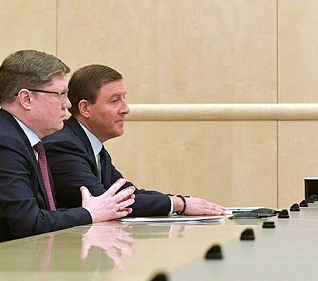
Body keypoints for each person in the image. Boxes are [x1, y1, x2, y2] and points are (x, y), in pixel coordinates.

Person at [0, 50, 136, 249]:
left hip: (9, 255)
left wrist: (88, 212)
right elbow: (29, 224)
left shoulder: (21, 139)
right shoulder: (1, 144)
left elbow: (41, 215)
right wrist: (90, 213)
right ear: (27, 99)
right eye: (60, 94)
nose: (67, 104)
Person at [43, 64, 225, 217]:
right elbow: (109, 203)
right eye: (114, 101)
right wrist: (178, 204)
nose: (126, 109)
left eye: (124, 98)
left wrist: (181, 202)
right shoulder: (64, 146)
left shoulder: (91, 146)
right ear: (85, 108)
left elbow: (129, 193)